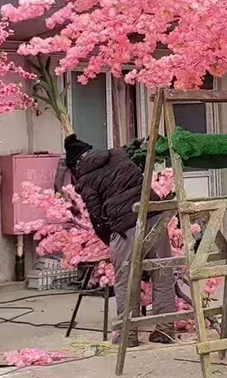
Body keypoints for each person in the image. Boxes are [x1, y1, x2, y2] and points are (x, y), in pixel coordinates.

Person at [64, 134, 175, 346]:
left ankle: (128, 335)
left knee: (126, 281)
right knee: (163, 274)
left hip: (126, 228)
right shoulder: (118, 154)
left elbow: (97, 218)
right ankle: (165, 330)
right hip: (154, 214)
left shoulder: (85, 179)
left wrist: (111, 240)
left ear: (75, 164)